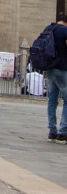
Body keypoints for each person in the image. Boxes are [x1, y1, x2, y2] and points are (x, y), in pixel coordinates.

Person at [43, 12, 67, 142]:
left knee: (52, 101)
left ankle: (52, 131)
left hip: (50, 68)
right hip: (63, 69)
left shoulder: (48, 28)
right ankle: (63, 132)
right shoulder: (65, 31)